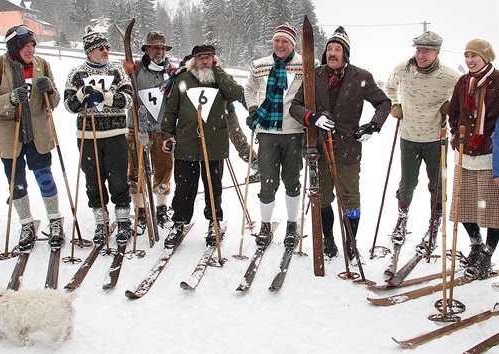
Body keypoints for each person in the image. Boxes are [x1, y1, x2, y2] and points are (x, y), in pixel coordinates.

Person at [290, 26, 391, 263]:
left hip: (348, 147)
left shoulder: (361, 77)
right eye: (329, 49)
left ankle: (351, 242)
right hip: (318, 148)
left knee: (350, 198)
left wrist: (372, 126)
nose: (332, 53)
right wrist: (312, 117)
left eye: (338, 49)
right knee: (323, 198)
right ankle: (328, 240)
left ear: (345, 53)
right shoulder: (313, 75)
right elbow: (295, 106)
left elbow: (383, 103)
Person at [0, 25, 64, 250]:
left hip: (38, 133)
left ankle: (55, 220)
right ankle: (26, 224)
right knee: (16, 184)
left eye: (33, 45)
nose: (30, 50)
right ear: (14, 46)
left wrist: (49, 91)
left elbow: (54, 103)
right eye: (26, 45)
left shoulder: (42, 65)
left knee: (45, 178)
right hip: (10, 135)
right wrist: (10, 98)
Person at [383, 31, 460, 252]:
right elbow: (389, 88)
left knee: (437, 186)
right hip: (408, 137)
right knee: (407, 184)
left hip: (436, 139)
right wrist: (394, 105)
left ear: (437, 52)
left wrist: (450, 108)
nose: (421, 55)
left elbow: (463, 98)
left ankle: (434, 227)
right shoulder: (403, 69)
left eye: (426, 50)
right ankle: (402, 220)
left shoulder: (449, 76)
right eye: (418, 49)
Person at [161, 44, 242, 247]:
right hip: (186, 142)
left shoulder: (220, 79)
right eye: (200, 58)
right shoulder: (183, 80)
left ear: (214, 59)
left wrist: (219, 70)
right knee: (184, 188)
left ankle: (214, 223)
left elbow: (235, 93)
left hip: (214, 143)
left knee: (213, 187)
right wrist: (167, 134)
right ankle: (178, 223)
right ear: (193, 60)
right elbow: (171, 110)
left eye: (208, 57)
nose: (204, 61)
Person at [64, 26, 133, 245]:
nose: (105, 51)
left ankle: (123, 222)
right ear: (89, 51)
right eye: (100, 48)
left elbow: (128, 99)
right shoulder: (77, 73)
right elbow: (69, 105)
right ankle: (100, 222)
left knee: (118, 180)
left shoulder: (116, 71)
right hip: (88, 134)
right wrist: (82, 94)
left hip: (115, 133)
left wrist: (106, 96)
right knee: (93, 181)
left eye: (107, 47)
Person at [244, 22, 306, 250]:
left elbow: (313, 93)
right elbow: (248, 89)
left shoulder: (304, 64)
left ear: (293, 44)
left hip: (293, 132)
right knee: (268, 182)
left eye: (285, 41)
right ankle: (265, 225)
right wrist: (252, 110)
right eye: (276, 41)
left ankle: (292, 224)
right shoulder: (260, 65)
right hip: (267, 133)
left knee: (292, 180)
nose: (280, 45)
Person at [448, 39, 499, 279]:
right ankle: (476, 244)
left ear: (486, 57)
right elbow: (454, 111)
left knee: (491, 211)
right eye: (467, 55)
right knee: (465, 207)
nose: (469, 60)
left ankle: (488, 254)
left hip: (490, 154)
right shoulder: (462, 82)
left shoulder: (498, 82)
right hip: (465, 154)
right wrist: (454, 132)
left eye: (474, 56)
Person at [125, 31, 175, 231]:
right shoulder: (136, 70)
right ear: (147, 49)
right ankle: (140, 209)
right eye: (155, 48)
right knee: (136, 171)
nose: (160, 51)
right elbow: (134, 102)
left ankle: (161, 208)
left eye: (162, 48)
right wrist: (141, 128)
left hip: (162, 131)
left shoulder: (170, 72)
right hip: (137, 129)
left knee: (164, 170)